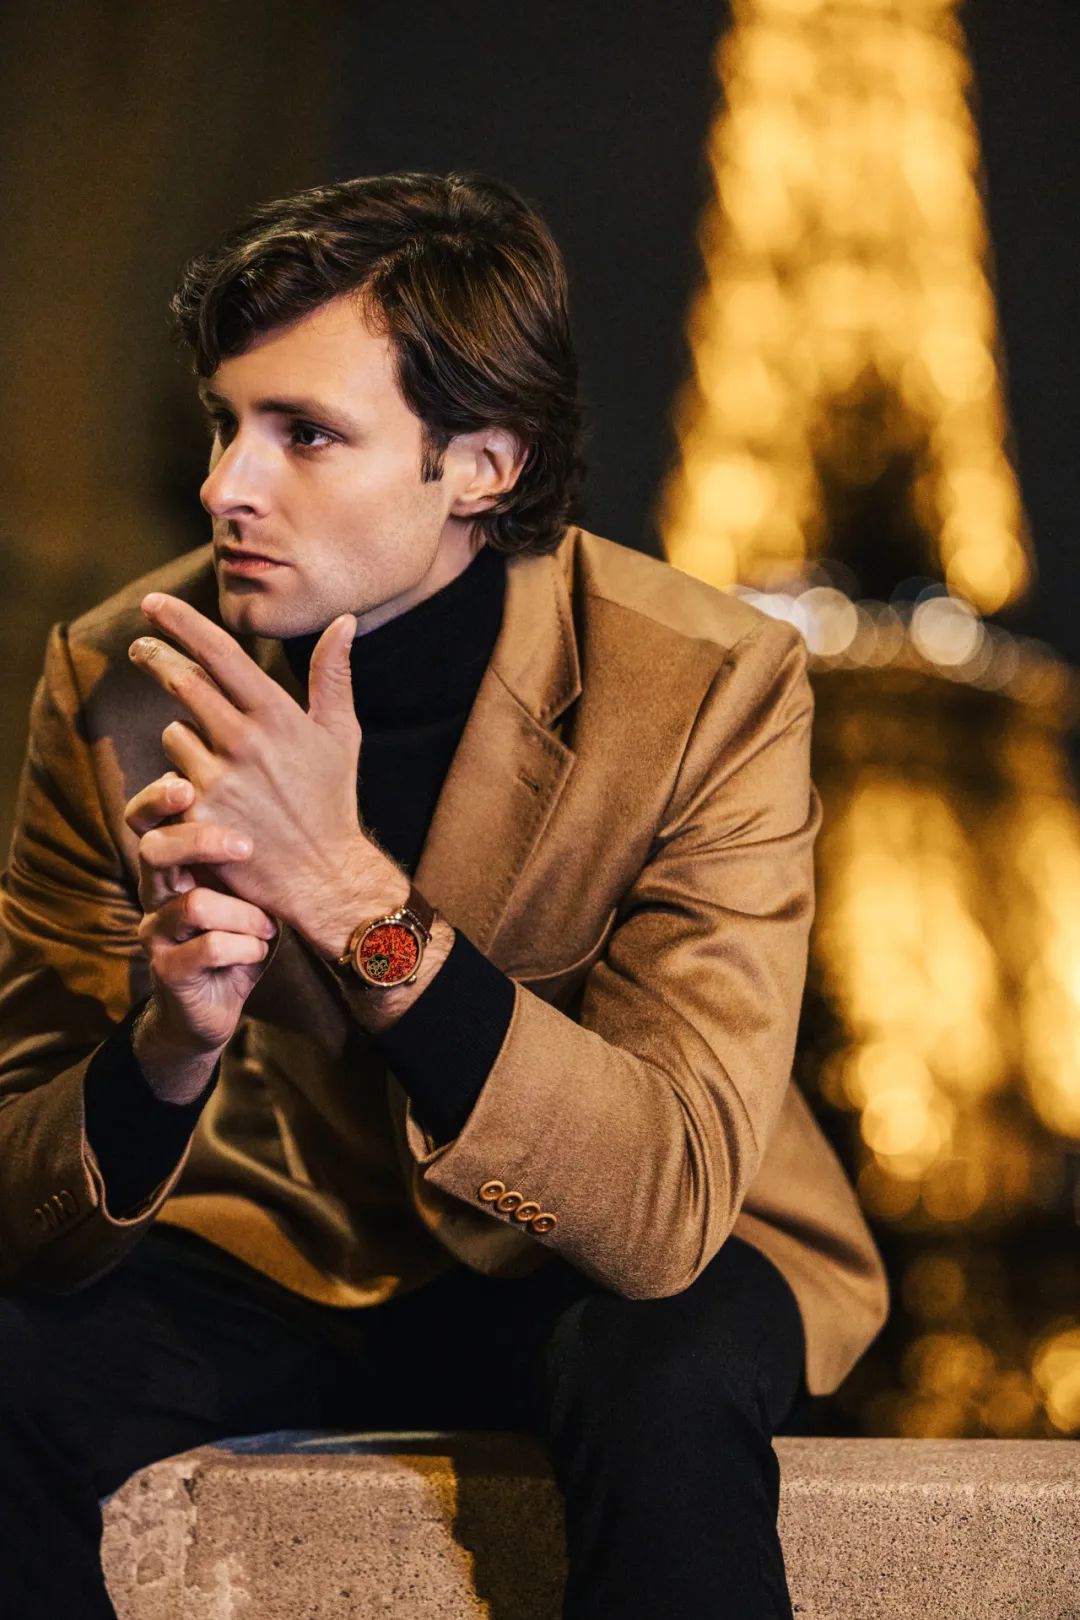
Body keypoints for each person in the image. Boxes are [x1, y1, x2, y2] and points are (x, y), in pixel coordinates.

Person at [0, 170, 889, 1618]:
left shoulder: (706, 685)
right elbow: (19, 1195)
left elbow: (661, 1204)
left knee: (658, 1378)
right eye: (227, 421)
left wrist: (352, 896)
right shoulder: (114, 683)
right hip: (280, 1237)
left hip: (624, 1239)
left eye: (306, 434)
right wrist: (164, 1048)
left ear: (479, 465)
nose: (227, 485)